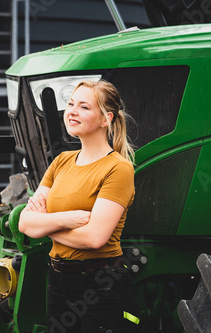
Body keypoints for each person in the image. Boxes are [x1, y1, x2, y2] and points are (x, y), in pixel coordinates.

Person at [19, 80, 139, 333]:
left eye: (84, 107)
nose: (71, 111)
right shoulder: (62, 161)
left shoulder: (118, 168)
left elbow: (95, 238)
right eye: (70, 104)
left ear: (106, 119)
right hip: (58, 279)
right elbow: (24, 223)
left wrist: (46, 224)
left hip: (99, 285)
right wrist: (66, 219)